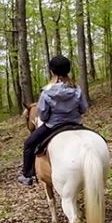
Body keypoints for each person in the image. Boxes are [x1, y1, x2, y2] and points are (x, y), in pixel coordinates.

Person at [18, 55, 88, 186]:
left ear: (52, 71)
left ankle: (27, 175)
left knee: (28, 144)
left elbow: (43, 116)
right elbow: (84, 108)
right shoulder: (76, 89)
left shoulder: (46, 92)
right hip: (76, 124)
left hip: (53, 126)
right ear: (68, 70)